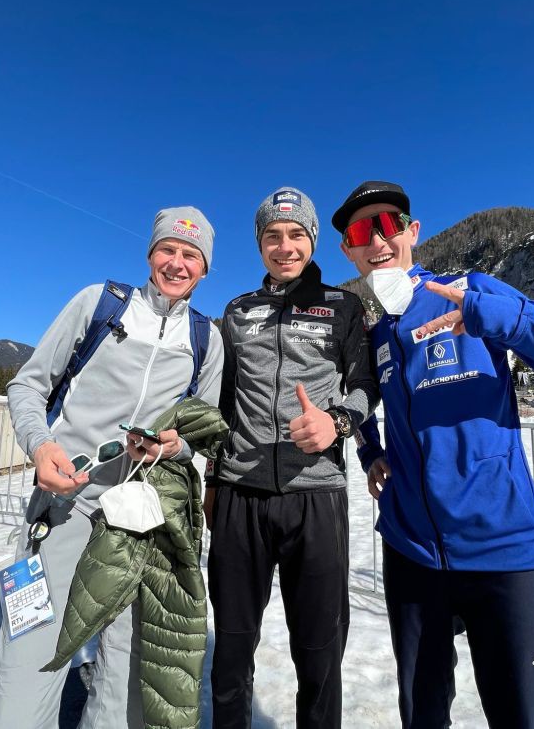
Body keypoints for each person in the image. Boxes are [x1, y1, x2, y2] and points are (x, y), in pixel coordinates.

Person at [332, 180, 534, 729]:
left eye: (389, 224)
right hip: (412, 553)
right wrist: (371, 451)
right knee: (422, 716)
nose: (377, 240)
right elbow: (359, 396)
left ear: (413, 232)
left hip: (504, 550)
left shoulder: (472, 293)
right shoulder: (376, 335)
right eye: (360, 231)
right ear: (349, 250)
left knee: (530, 718)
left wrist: (502, 319)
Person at [0, 207, 224, 729]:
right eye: (168, 249)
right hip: (64, 508)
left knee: (127, 678)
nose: (177, 263)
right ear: (150, 254)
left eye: (191, 255)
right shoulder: (99, 303)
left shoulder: (206, 340)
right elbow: (27, 385)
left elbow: (199, 436)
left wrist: (173, 448)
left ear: (204, 269)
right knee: (27, 660)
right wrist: (40, 446)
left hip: (141, 521)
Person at [206, 187, 379, 729]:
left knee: (319, 650)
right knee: (232, 647)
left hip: (316, 497)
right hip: (240, 495)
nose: (285, 247)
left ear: (313, 240)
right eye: (273, 236)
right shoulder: (238, 311)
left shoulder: (343, 307)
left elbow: (366, 385)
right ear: (260, 244)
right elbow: (223, 402)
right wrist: (212, 479)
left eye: (297, 235)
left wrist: (337, 423)